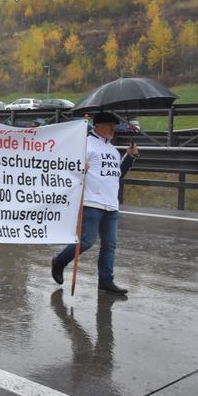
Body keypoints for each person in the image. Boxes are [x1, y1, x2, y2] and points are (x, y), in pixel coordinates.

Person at [51, 111, 139, 294]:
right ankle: (59, 261)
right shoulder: (85, 145)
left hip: (111, 204)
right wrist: (79, 169)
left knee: (110, 245)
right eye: (109, 126)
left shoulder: (114, 151)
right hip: (91, 201)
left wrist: (129, 157)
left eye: (114, 127)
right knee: (86, 241)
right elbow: (66, 170)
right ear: (98, 126)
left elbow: (116, 175)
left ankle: (106, 281)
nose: (113, 129)